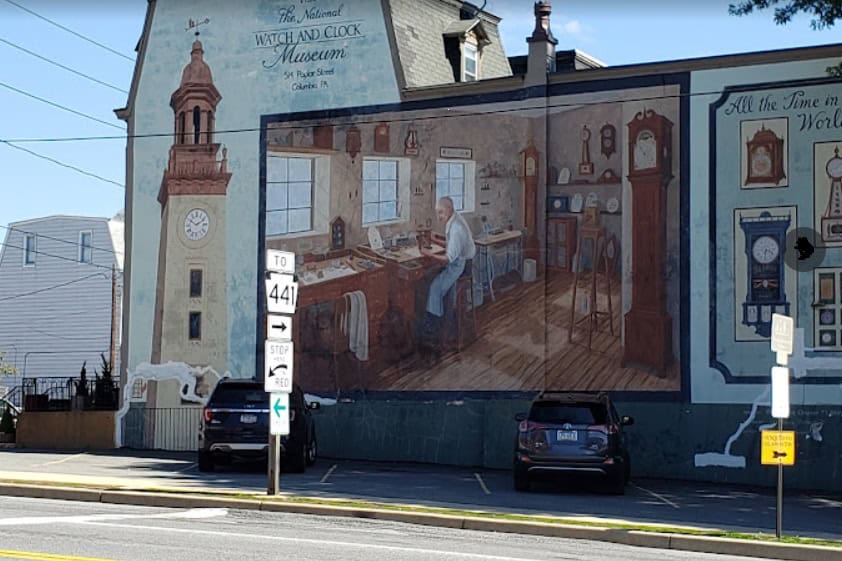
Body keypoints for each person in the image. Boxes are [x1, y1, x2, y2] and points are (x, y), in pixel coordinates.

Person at [419, 197, 476, 349]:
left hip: (462, 265)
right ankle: (438, 322)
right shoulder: (454, 219)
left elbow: (447, 259)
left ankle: (434, 332)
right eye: (437, 213)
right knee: (430, 277)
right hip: (458, 260)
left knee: (435, 288)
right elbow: (452, 245)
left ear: (449, 209)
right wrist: (435, 241)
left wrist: (428, 254)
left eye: (441, 213)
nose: (438, 217)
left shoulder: (456, 228)